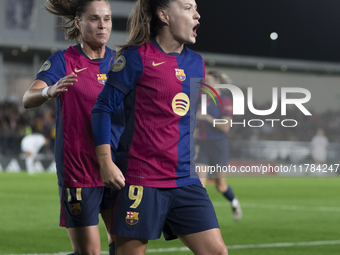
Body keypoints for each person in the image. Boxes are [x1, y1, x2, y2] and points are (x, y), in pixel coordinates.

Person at [91, 0, 228, 254]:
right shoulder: (135, 58)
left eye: (196, 8)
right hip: (141, 180)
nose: (197, 15)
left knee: (217, 251)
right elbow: (102, 108)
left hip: (184, 179)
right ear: (163, 15)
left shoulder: (197, 63)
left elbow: (184, 120)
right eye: (188, 8)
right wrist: (105, 162)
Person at [22, 1, 117, 254]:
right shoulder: (64, 60)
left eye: (107, 19)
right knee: (89, 252)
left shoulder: (120, 62)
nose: (102, 25)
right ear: (78, 22)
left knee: (125, 245)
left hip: (116, 169)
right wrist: (48, 90)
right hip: (79, 170)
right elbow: (27, 98)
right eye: (94, 19)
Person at [195, 70, 242, 220]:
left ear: (218, 83)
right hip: (203, 145)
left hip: (218, 146)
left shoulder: (225, 101)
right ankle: (199, 219)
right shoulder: (202, 99)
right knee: (199, 186)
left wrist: (207, 118)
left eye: (209, 81)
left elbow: (225, 127)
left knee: (220, 186)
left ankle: (234, 202)